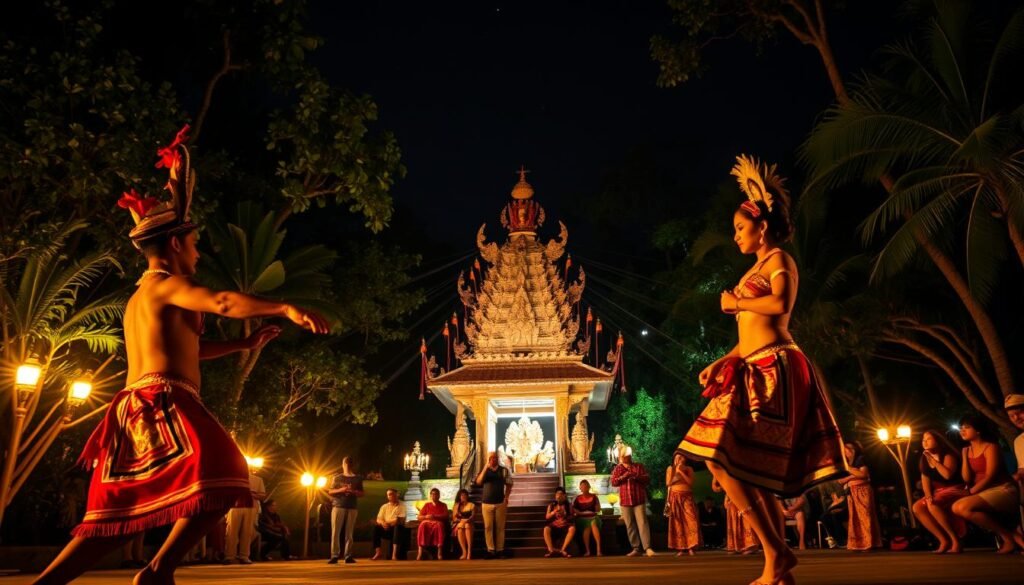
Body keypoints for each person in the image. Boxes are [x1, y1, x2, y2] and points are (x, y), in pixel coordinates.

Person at [32, 125, 329, 585]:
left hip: (144, 401)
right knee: (228, 476)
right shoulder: (165, 285)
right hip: (159, 402)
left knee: (123, 513)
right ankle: (156, 569)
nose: (196, 253)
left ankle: (138, 572)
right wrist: (284, 306)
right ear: (174, 245)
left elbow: (188, 349)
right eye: (192, 244)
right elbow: (225, 303)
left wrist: (241, 345)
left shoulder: (143, 297)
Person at [676, 155, 846, 585]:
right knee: (731, 464)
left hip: (778, 365)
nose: (735, 237)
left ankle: (776, 554)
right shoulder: (755, 267)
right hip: (751, 364)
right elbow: (751, 332)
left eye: (739, 228)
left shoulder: (779, 263)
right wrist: (724, 358)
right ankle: (777, 555)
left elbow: (779, 310)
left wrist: (736, 302)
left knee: (725, 460)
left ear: (762, 227)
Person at [952, 414, 1024, 553]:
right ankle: (1011, 538)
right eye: (961, 428)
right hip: (984, 491)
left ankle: (1008, 538)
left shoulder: (991, 447)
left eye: (967, 427)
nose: (962, 431)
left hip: (1003, 489)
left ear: (978, 430)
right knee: (958, 507)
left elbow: (991, 476)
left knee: (960, 507)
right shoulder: (967, 450)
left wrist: (971, 492)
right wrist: (964, 456)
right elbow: (966, 478)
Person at [912, 429, 968, 553]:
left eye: (929, 439)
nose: (925, 442)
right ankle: (943, 539)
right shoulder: (925, 456)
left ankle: (955, 540)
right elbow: (925, 476)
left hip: (955, 488)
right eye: (923, 440)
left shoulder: (948, 455)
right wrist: (927, 495)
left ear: (938, 440)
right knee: (917, 507)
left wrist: (936, 463)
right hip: (938, 491)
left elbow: (947, 475)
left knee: (934, 504)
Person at [837, 442, 881, 551]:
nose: (845, 452)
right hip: (852, 492)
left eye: (846, 449)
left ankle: (869, 542)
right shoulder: (847, 463)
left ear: (853, 450)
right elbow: (840, 480)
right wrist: (852, 475)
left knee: (865, 516)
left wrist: (849, 473)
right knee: (855, 518)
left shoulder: (860, 459)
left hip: (862, 491)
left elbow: (863, 474)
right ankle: (859, 543)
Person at [611, 451, 654, 557]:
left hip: (638, 499)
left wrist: (636, 476)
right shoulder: (618, 469)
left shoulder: (639, 466)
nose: (627, 457)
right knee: (630, 525)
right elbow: (614, 482)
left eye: (628, 455)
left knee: (642, 522)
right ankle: (636, 548)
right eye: (624, 455)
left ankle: (647, 548)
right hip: (625, 501)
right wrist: (624, 476)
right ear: (621, 457)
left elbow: (647, 479)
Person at [474, 451, 513, 558]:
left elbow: (509, 483)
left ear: (498, 459)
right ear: (488, 459)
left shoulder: (503, 470)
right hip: (486, 503)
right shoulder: (485, 470)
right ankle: (490, 549)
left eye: (495, 457)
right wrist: (486, 468)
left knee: (500, 527)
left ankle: (500, 550)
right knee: (488, 527)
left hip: (500, 502)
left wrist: (507, 497)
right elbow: (478, 482)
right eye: (491, 458)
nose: (493, 459)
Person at [225, 463, 266, 564]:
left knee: (247, 532)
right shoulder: (232, 478)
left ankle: (244, 556)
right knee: (231, 532)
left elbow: (262, 495)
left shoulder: (257, 479)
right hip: (234, 507)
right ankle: (230, 556)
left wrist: (252, 494)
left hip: (250, 507)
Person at [327, 457, 364, 564]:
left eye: (349, 463)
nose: (347, 465)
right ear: (343, 464)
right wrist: (342, 490)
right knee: (336, 531)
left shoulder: (357, 478)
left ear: (352, 465)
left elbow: (362, 493)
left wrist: (354, 492)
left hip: (352, 506)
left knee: (349, 532)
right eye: (346, 463)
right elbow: (330, 491)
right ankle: (334, 555)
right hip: (338, 505)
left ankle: (348, 555)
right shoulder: (337, 478)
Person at [665, 453, 701, 556]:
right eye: (678, 457)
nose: (680, 458)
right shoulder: (670, 469)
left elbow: (690, 483)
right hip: (675, 497)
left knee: (691, 520)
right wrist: (676, 471)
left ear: (685, 459)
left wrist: (681, 471)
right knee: (678, 522)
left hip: (687, 497)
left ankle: (691, 547)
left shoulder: (689, 469)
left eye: (682, 457)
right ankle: (681, 548)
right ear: (674, 458)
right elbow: (668, 483)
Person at [716, 478, 758, 554]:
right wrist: (726, 493)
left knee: (746, 521)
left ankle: (750, 545)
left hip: (744, 495)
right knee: (734, 522)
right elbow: (715, 487)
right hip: (731, 497)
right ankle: (736, 546)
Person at [371, 488, 407, 561]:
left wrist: (388, 523)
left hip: (397, 529)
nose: (389, 496)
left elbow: (400, 520)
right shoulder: (384, 506)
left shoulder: (402, 505)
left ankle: (394, 554)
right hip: (386, 528)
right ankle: (378, 552)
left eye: (391, 494)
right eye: (388, 495)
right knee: (376, 528)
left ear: (397, 494)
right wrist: (383, 523)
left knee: (397, 527)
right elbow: (379, 518)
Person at [571, 479, 603, 557]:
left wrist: (597, 506)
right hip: (582, 518)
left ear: (589, 487)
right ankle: (588, 551)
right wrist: (580, 513)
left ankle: (598, 549)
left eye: (586, 486)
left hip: (593, 517)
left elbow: (598, 509)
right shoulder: (577, 498)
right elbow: (573, 509)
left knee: (593, 523)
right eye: (582, 486)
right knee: (587, 527)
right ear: (580, 488)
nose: (584, 487)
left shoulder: (594, 497)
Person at [416, 488, 449, 560]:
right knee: (422, 525)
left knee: (439, 525)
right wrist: (425, 516)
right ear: (430, 496)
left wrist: (435, 516)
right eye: (433, 494)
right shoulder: (427, 505)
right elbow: (419, 517)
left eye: (436, 494)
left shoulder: (443, 505)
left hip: (437, 522)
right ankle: (420, 551)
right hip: (427, 522)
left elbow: (446, 516)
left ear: (439, 496)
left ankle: (439, 552)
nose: (434, 496)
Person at [543, 487, 576, 557]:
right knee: (546, 529)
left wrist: (565, 514)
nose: (559, 496)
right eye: (557, 494)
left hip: (565, 524)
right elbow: (547, 517)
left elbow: (572, 516)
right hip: (554, 525)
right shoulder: (551, 505)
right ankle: (551, 550)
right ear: (555, 495)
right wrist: (553, 512)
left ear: (564, 496)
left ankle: (563, 550)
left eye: (561, 494)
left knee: (572, 528)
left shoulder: (568, 505)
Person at [451, 489, 476, 560]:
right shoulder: (457, 505)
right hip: (459, 524)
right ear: (459, 497)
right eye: (462, 495)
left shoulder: (471, 505)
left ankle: (469, 551)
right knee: (461, 526)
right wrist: (461, 520)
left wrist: (467, 520)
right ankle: (464, 551)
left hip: (469, 523)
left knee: (467, 525)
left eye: (465, 495)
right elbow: (454, 519)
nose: (463, 497)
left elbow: (473, 517)